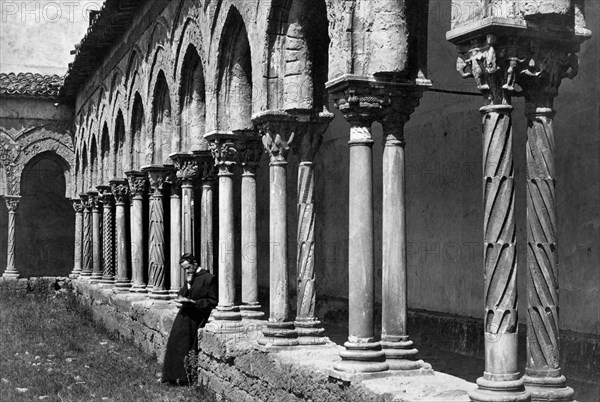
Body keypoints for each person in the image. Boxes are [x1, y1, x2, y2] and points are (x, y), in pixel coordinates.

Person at [162, 253, 217, 385]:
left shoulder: (209, 278)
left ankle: (185, 377)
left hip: (196, 315)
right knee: (174, 342)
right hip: (184, 314)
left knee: (185, 344)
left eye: (188, 268)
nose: (187, 271)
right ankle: (171, 376)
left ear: (195, 263)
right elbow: (181, 294)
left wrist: (195, 303)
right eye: (184, 269)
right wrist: (187, 284)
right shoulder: (190, 278)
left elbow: (212, 301)